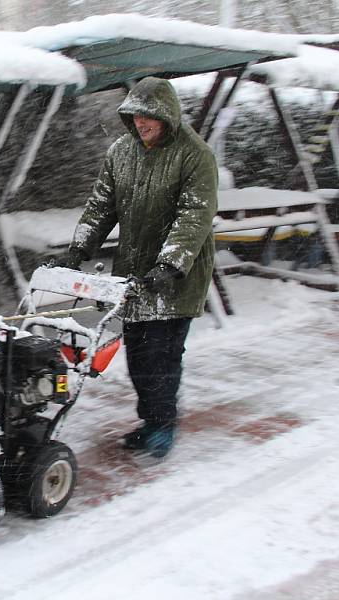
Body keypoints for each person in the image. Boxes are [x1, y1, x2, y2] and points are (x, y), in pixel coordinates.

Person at [64, 76, 218, 459]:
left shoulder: (195, 155)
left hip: (176, 278)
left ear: (166, 115)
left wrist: (170, 264)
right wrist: (79, 247)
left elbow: (194, 216)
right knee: (138, 354)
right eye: (133, 116)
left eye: (147, 116)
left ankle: (162, 425)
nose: (140, 123)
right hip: (134, 271)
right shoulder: (121, 152)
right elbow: (102, 205)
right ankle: (150, 420)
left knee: (162, 355)